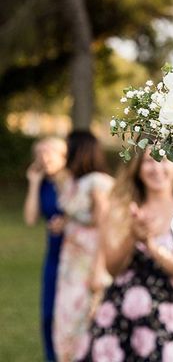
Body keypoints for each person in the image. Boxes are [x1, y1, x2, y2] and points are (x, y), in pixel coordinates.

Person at [75, 151, 173, 361]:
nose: (157, 168)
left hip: (167, 317)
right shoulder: (123, 208)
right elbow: (112, 268)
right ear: (138, 167)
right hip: (118, 314)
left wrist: (151, 246)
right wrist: (133, 236)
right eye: (149, 160)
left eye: (165, 159)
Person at [53, 130, 114, 362]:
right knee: (67, 317)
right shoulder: (75, 180)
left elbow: (104, 224)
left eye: (67, 148)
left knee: (84, 319)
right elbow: (81, 214)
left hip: (89, 261)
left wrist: (99, 268)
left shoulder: (98, 182)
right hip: (71, 261)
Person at [24, 136, 67, 362]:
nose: (44, 157)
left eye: (49, 152)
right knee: (48, 313)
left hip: (75, 253)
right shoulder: (43, 184)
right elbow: (30, 218)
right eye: (40, 153)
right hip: (53, 255)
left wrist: (67, 221)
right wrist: (33, 182)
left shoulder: (73, 181)